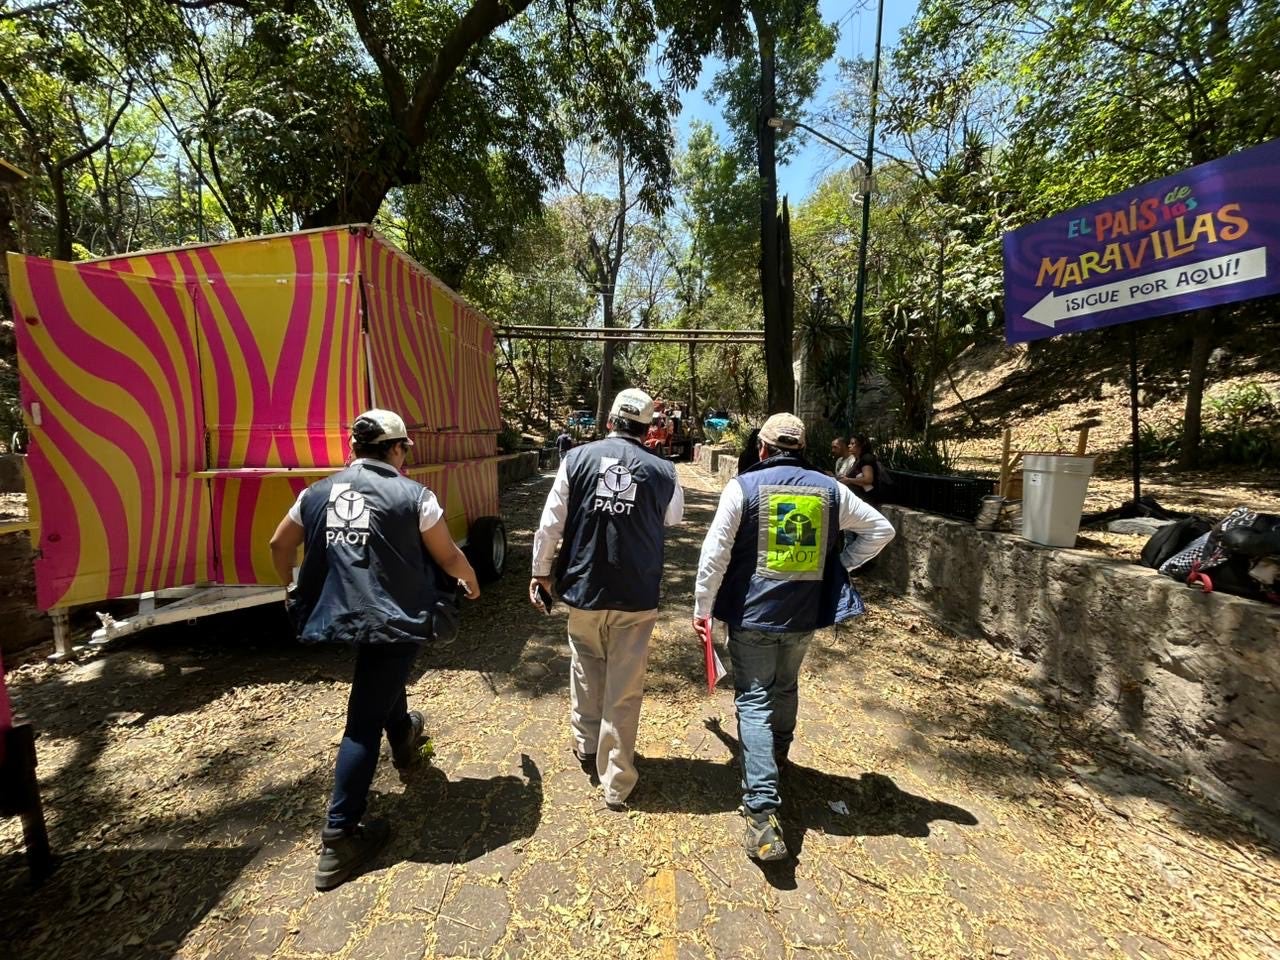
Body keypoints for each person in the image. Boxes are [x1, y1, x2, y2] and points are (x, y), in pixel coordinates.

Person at [268, 409, 481, 891]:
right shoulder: (415, 496)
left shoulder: (314, 493)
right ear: (397, 449)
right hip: (393, 619)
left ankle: (405, 739)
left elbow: (279, 544)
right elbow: (447, 555)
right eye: (405, 448)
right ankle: (339, 837)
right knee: (362, 724)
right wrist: (470, 582)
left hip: (341, 614)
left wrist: (288, 590)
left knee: (383, 680)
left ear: (354, 449)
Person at [693, 413, 895, 861]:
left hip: (752, 618)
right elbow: (882, 529)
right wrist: (839, 566)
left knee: (754, 700)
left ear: (762, 449)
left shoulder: (742, 487)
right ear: (802, 450)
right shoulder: (830, 490)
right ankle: (776, 759)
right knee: (785, 686)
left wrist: (702, 609)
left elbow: (715, 554)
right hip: (802, 616)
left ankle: (762, 813)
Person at [530, 388, 684, 810]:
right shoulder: (664, 469)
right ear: (648, 427)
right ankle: (616, 780)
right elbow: (674, 518)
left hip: (583, 587)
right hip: (636, 592)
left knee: (585, 667)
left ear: (611, 420)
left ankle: (585, 744)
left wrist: (541, 572)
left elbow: (550, 524)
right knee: (625, 686)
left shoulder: (574, 459)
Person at [844, 434, 880, 503]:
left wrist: (849, 480)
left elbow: (868, 479)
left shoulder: (866, 458)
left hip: (867, 498)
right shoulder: (858, 460)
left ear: (861, 445)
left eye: (852, 444)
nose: (849, 446)